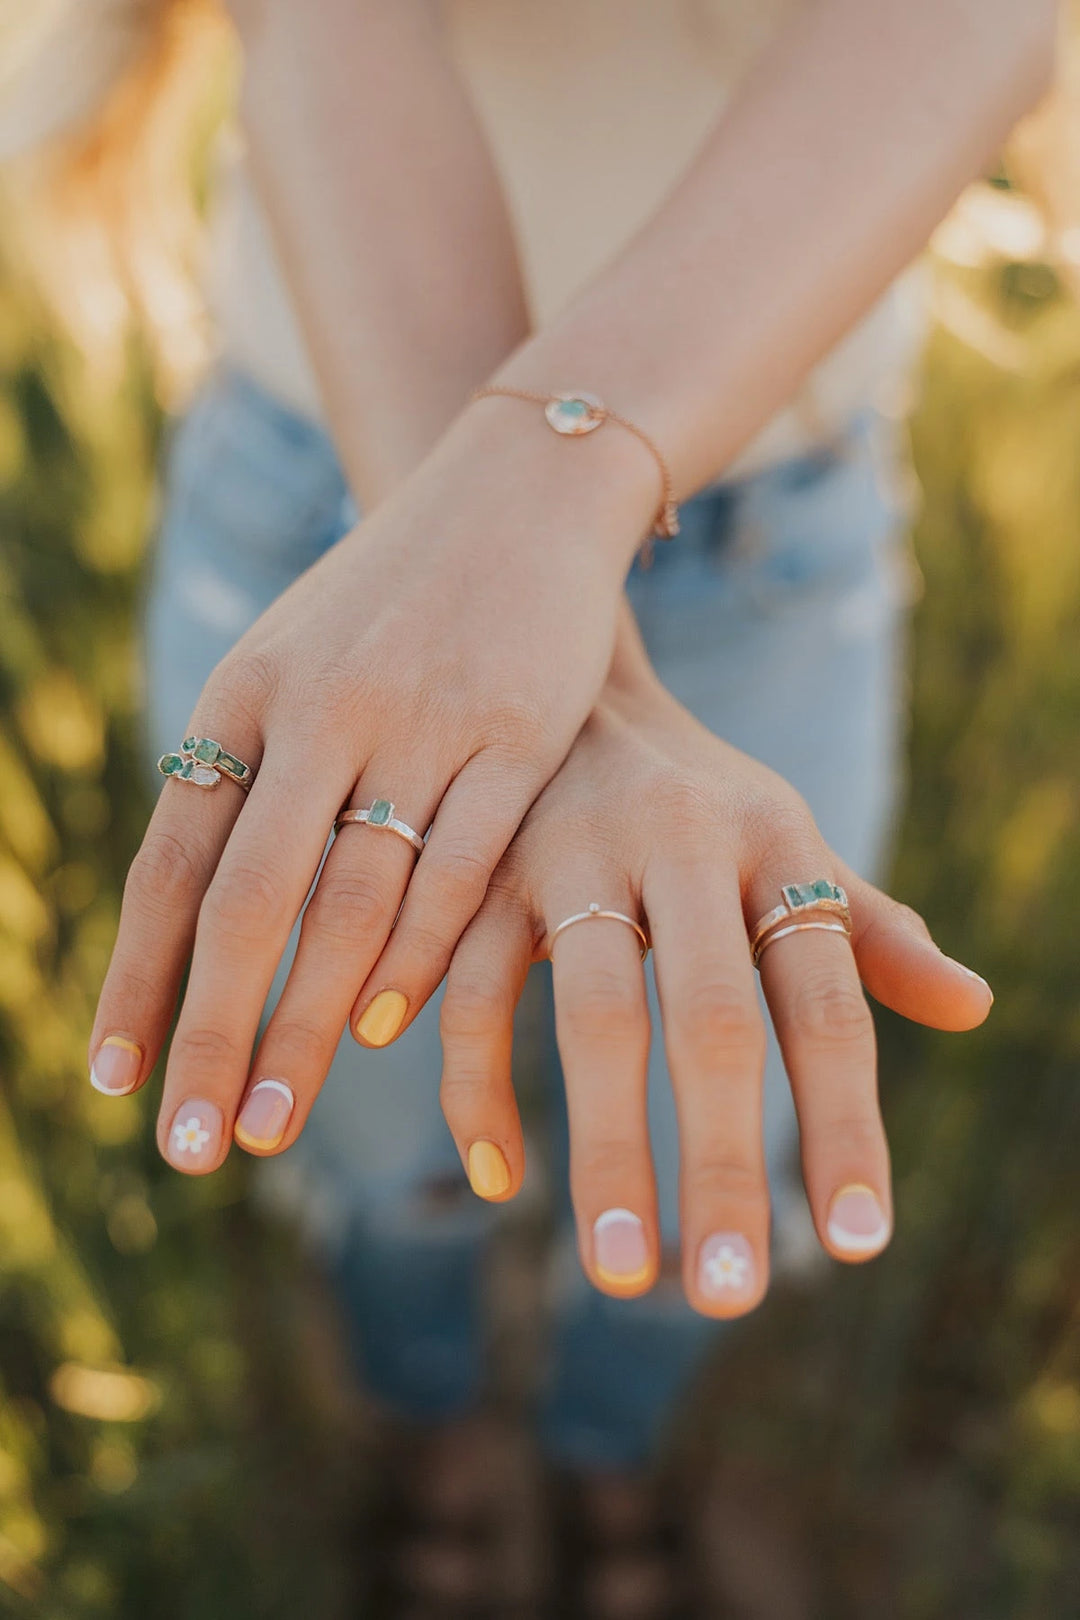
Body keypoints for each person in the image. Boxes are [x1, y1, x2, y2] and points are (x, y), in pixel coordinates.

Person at [5, 0, 1051, 1606]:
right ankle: (437, 1433)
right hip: (320, 498)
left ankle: (607, 1453)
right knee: (368, 1121)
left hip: (779, 524)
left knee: (715, 1116)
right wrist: (553, 624)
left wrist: (551, 570)